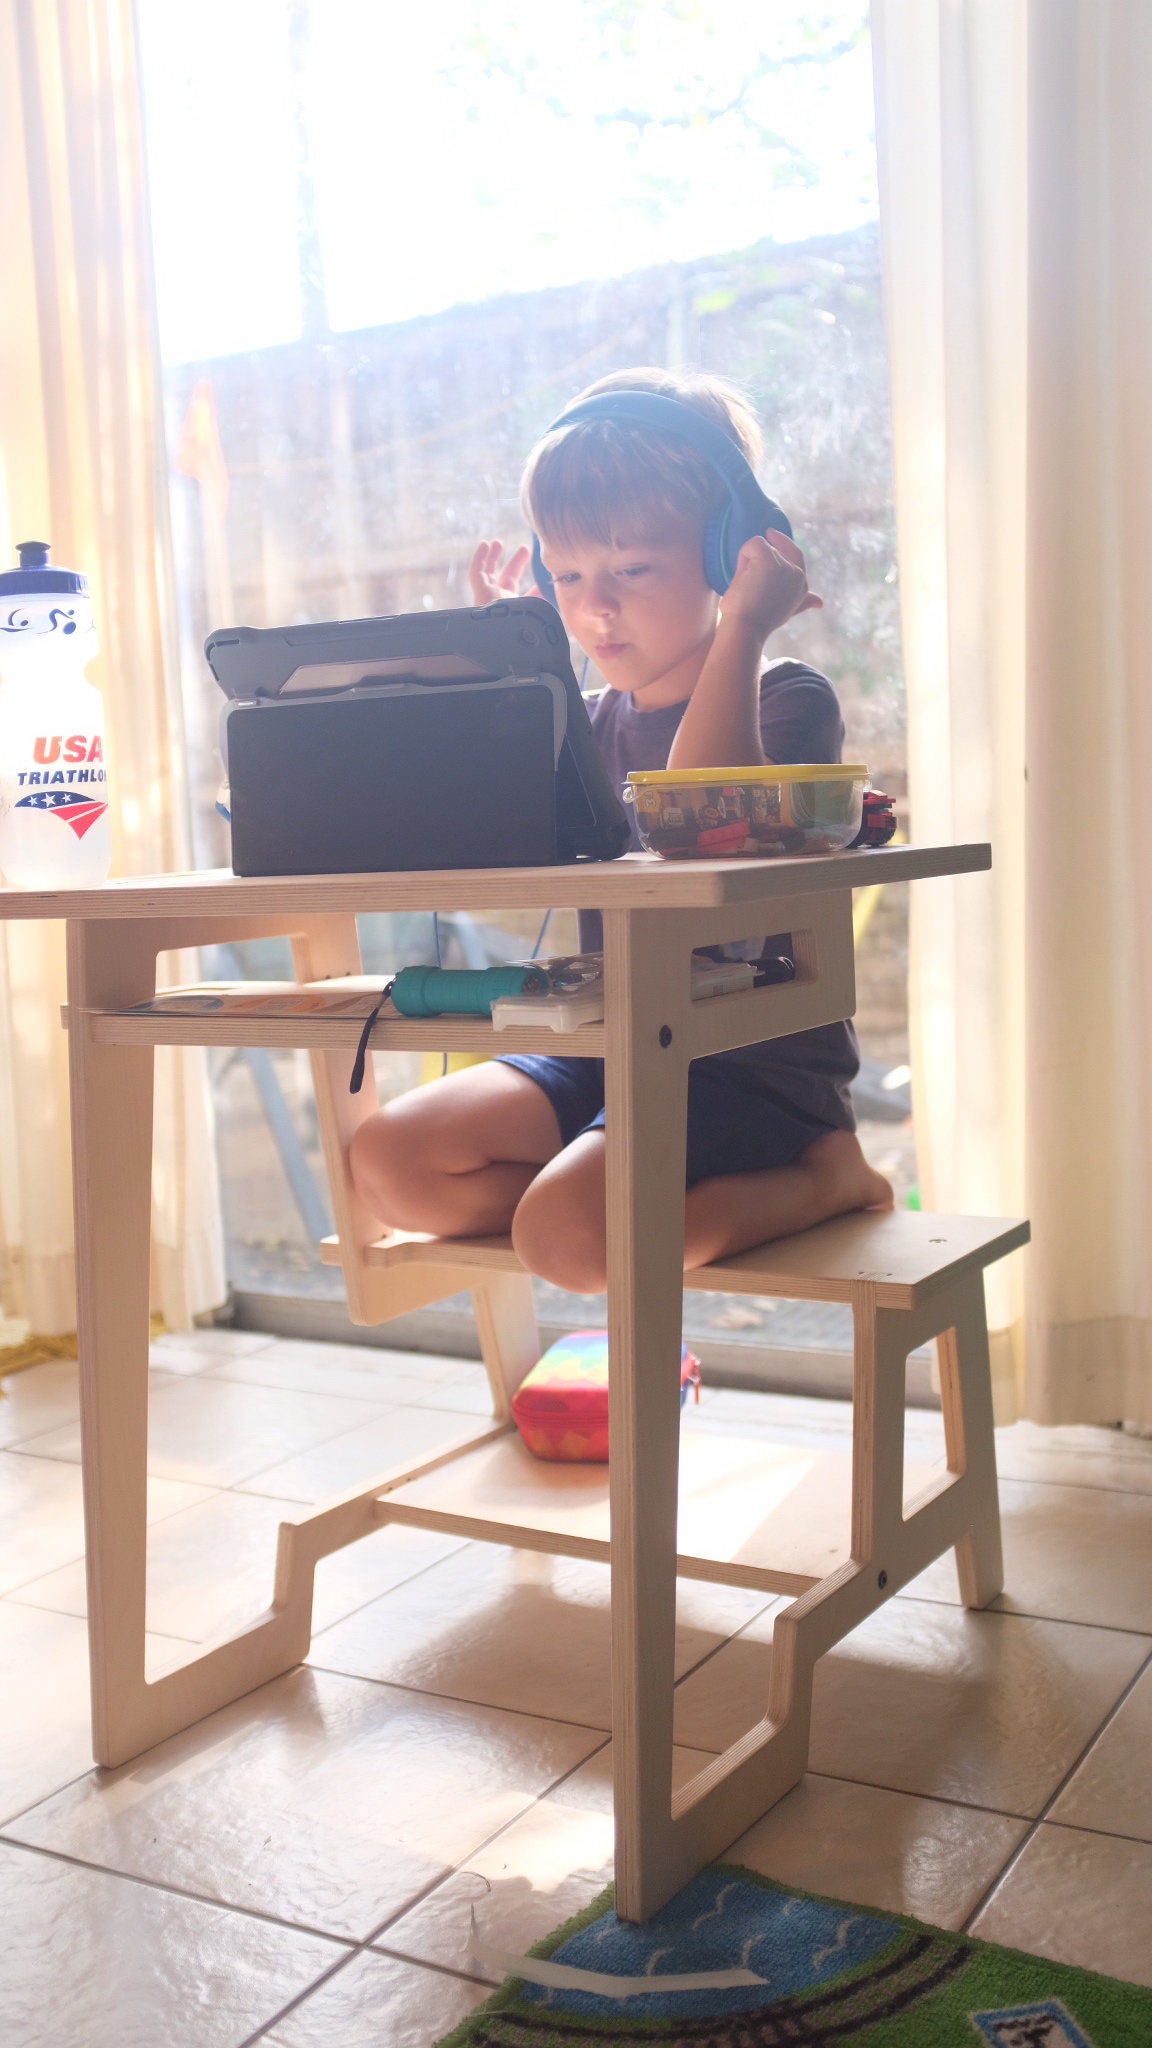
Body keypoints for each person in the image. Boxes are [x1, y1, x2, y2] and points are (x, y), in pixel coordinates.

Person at [349, 367, 891, 1292]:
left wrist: (745, 634)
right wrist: (500, 672)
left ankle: (820, 1181)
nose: (595, 606)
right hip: (609, 1048)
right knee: (391, 1163)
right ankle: (589, 1208)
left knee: (567, 1241)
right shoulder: (582, 721)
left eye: (633, 570)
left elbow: (693, 820)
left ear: (729, 557)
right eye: (567, 575)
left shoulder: (786, 698)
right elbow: (472, 825)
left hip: (746, 1076)